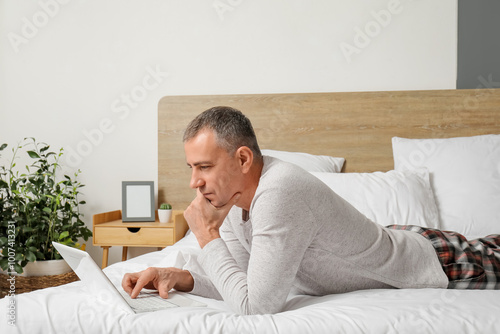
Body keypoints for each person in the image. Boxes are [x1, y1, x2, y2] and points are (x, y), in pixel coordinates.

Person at [122, 106, 500, 315]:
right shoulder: (238, 203)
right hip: (390, 238)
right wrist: (178, 275)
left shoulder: (279, 192)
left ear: (242, 158)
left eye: (204, 167)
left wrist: (207, 235)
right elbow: (240, 282)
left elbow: (255, 307)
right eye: (191, 168)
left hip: (429, 261)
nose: (194, 183)